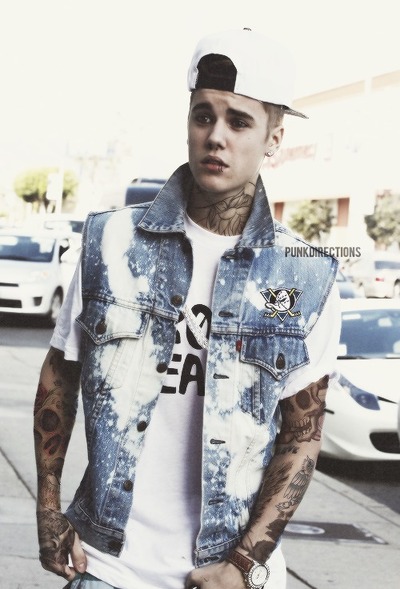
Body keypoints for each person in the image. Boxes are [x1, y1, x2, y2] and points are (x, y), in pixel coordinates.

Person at [33, 28, 341, 589]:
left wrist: (244, 564)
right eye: (204, 116)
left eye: (239, 122)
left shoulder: (305, 274)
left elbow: (302, 433)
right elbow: (59, 375)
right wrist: (49, 509)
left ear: (273, 138)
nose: (215, 137)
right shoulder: (111, 243)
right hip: (107, 566)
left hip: (229, 572)